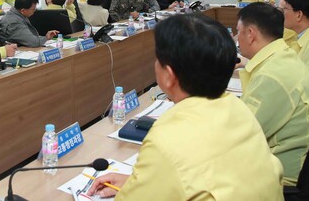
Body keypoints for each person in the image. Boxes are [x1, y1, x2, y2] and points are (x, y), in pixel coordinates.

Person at [88, 14, 283, 200]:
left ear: (169, 75)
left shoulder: (165, 140)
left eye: (158, 59)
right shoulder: (238, 108)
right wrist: (137, 183)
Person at [237, 3, 309, 186]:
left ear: (251, 34)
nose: (237, 38)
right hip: (299, 162)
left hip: (281, 176)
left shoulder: (271, 76)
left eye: (238, 31)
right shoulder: (283, 56)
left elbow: (238, 136)